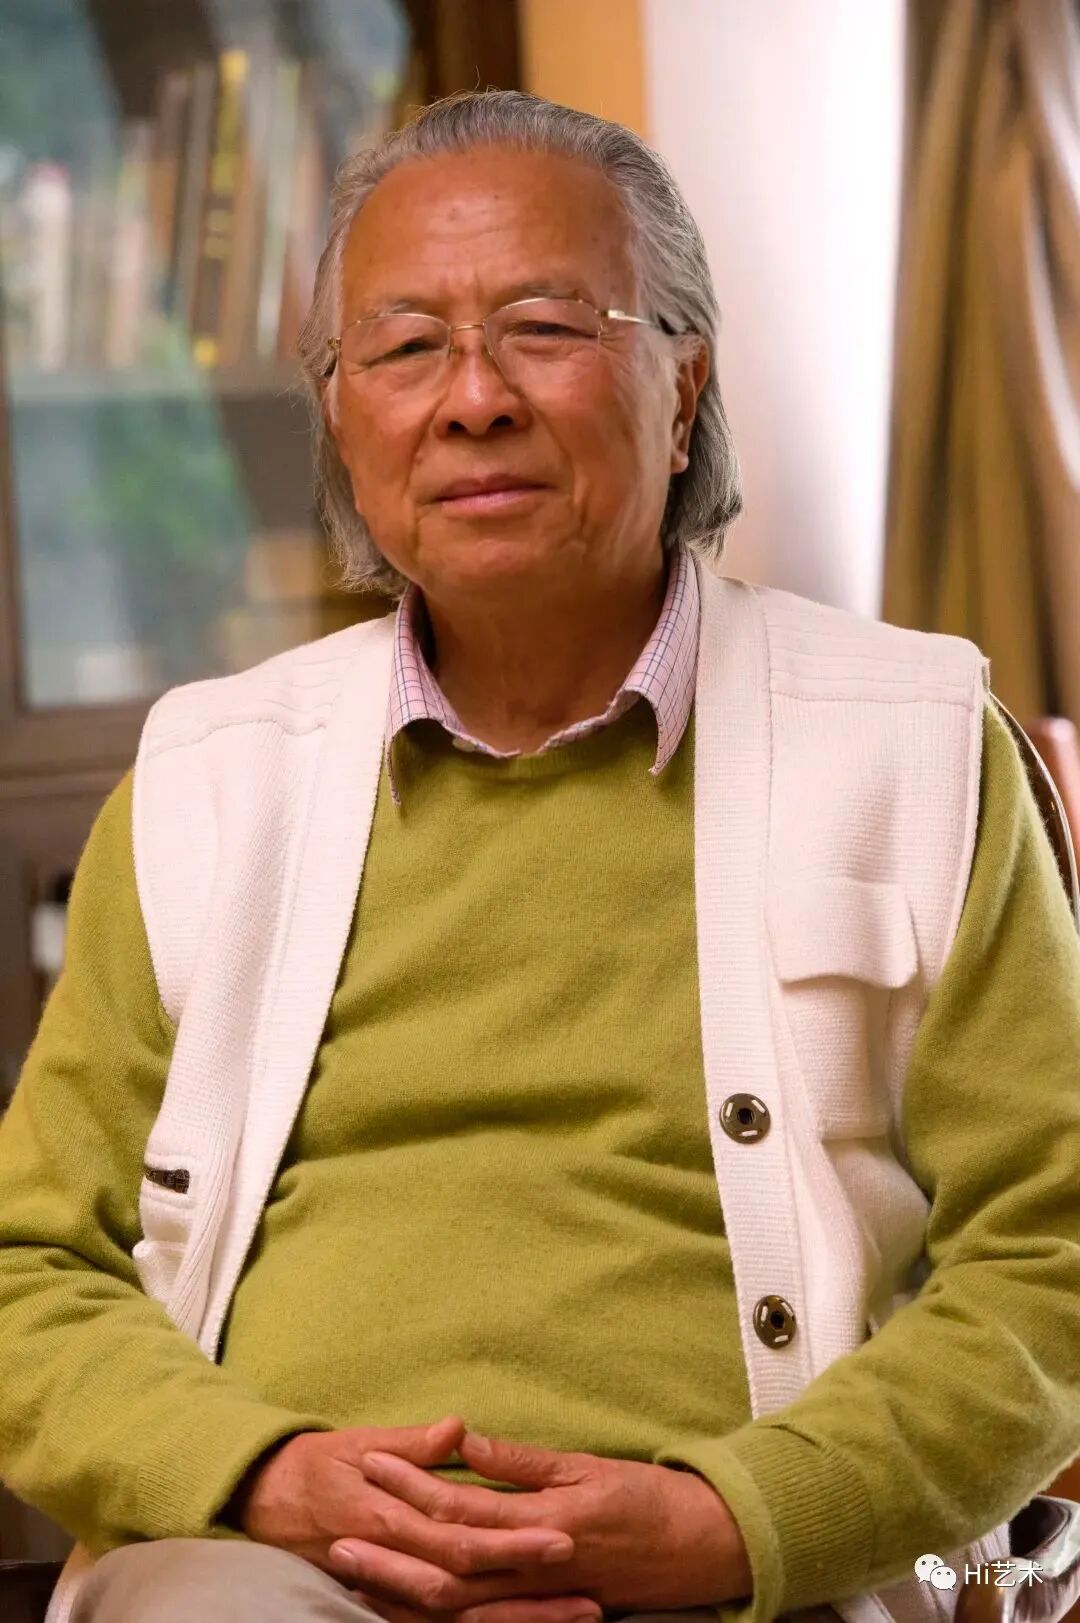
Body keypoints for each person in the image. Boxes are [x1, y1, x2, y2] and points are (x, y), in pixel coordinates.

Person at [0, 89, 1077, 1623]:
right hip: (277, 1574)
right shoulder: (204, 779)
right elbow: (26, 1267)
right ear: (341, 414)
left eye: (545, 328)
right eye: (402, 347)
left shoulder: (915, 745)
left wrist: (735, 1520)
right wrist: (256, 1474)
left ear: (683, 385)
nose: (472, 398)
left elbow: (1049, 1257)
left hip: (751, 1582)